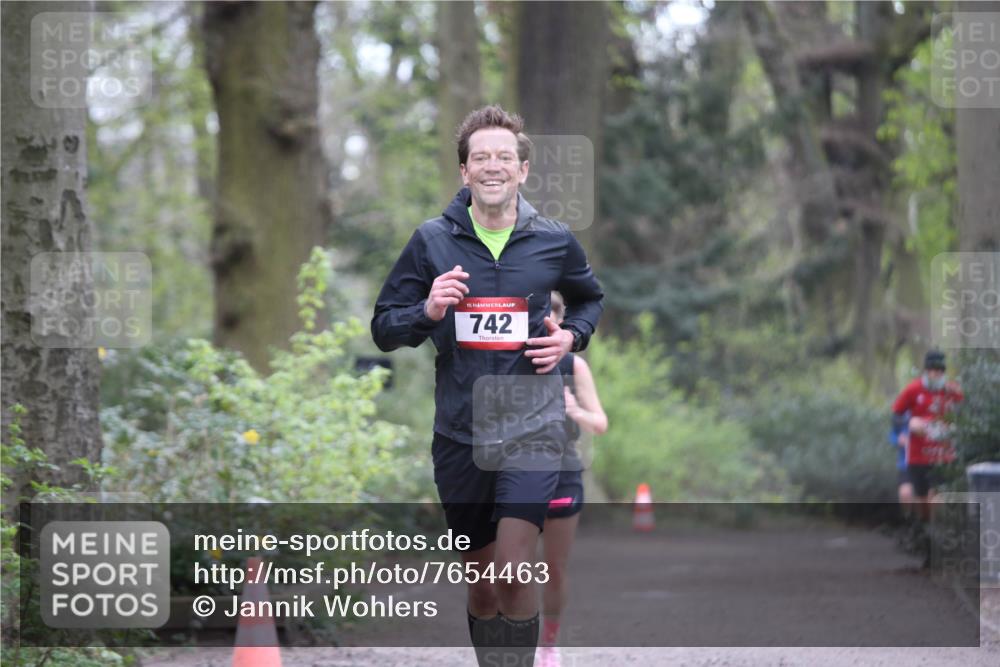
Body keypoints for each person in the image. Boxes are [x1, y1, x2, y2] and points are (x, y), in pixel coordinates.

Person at [371, 105, 604, 667]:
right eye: (481, 157)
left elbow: (589, 298)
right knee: (481, 587)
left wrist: (571, 336)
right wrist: (426, 310)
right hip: (460, 434)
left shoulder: (554, 241)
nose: (493, 166)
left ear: (523, 170)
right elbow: (384, 326)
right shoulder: (431, 242)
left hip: (534, 427)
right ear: (464, 171)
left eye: (504, 156)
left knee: (513, 571)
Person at [536, 291, 607, 667]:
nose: (545, 317)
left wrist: (574, 409)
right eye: (539, 310)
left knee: (554, 569)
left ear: (562, 319)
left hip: (562, 474)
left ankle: (548, 643)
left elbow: (601, 422)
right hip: (509, 473)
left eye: (554, 312)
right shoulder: (505, 360)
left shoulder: (573, 367)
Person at [890, 350, 963, 522]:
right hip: (918, 455)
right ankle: (923, 528)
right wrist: (909, 424)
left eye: (939, 371)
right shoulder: (913, 390)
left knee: (937, 498)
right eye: (932, 370)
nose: (935, 374)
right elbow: (896, 415)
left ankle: (939, 533)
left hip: (943, 455)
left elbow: (966, 414)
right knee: (923, 501)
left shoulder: (952, 391)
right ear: (926, 371)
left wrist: (954, 426)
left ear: (943, 372)